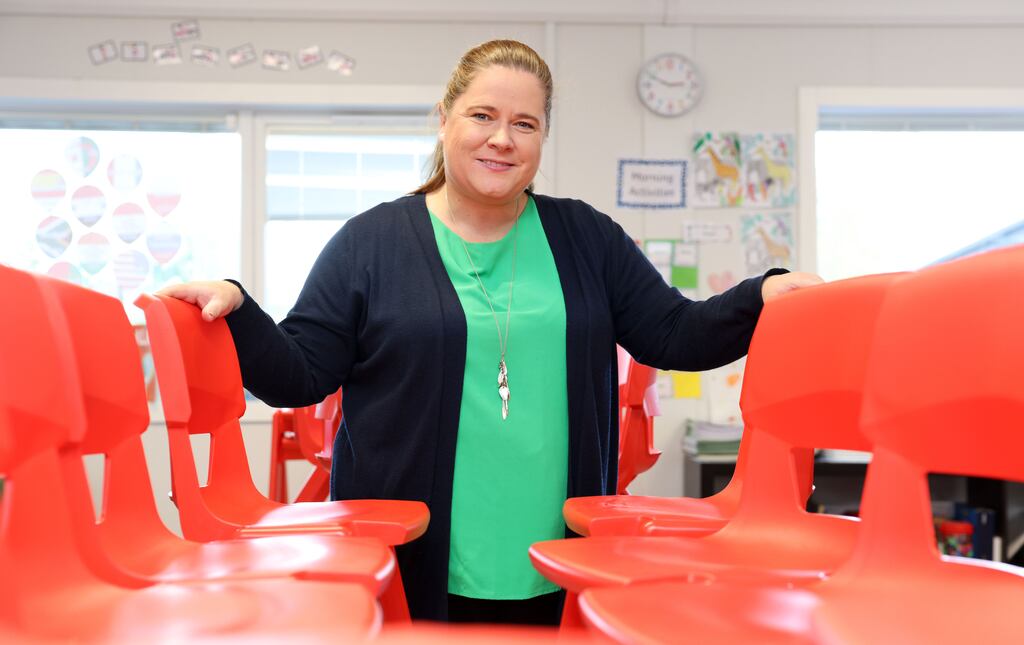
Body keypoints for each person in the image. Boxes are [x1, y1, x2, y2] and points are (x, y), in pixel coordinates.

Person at [158, 39, 823, 624]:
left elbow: (674, 334)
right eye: (482, 115)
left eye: (524, 123)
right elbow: (301, 373)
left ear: (541, 139)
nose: (501, 138)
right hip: (415, 554)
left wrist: (759, 295)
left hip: (557, 550)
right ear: (444, 118)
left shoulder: (586, 236)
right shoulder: (371, 242)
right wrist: (238, 308)